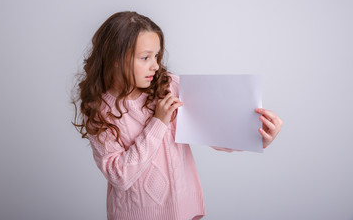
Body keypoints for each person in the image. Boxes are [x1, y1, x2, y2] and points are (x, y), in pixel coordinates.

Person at [72, 11, 283, 220]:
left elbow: (213, 130)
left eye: (156, 56)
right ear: (115, 59)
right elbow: (120, 176)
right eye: (145, 57)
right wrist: (158, 122)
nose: (155, 65)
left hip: (184, 209)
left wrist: (258, 137)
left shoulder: (169, 86)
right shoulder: (100, 110)